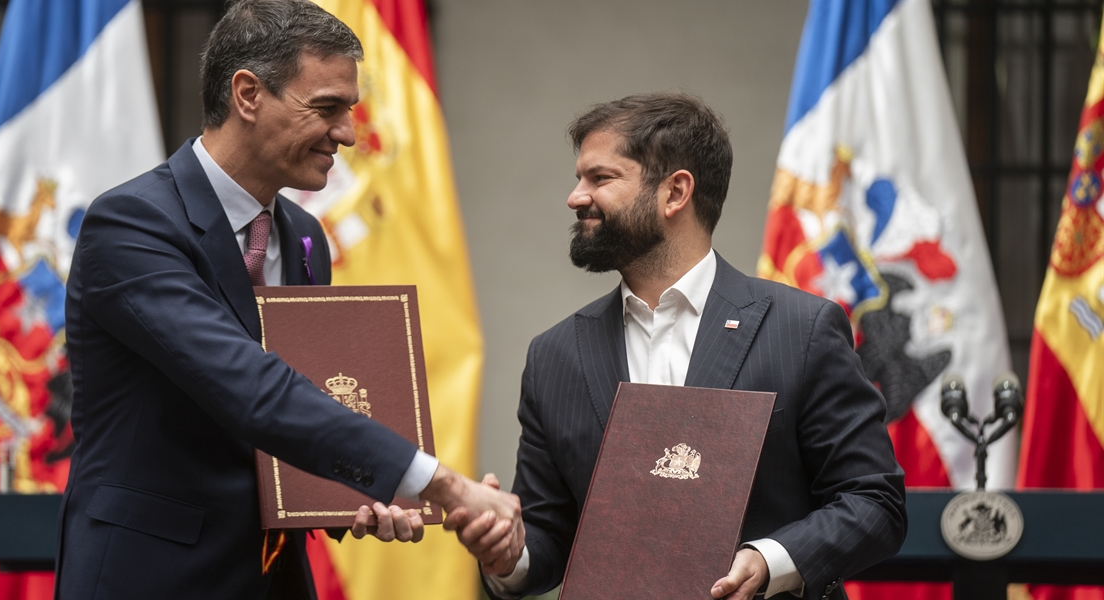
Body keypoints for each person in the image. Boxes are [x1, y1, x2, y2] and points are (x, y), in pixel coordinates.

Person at [54, 2, 520, 599]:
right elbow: (250, 387)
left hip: (272, 578)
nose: (348, 134)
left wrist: (357, 498)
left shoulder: (305, 238)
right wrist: (443, 486)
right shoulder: (132, 225)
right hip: (149, 575)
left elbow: (296, 415)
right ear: (247, 94)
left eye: (349, 110)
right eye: (326, 108)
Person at [448, 93, 906, 600]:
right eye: (580, 178)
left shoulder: (801, 330)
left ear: (675, 192)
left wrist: (769, 560)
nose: (576, 197)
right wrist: (506, 553)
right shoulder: (554, 357)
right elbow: (548, 538)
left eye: (600, 178)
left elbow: (874, 501)